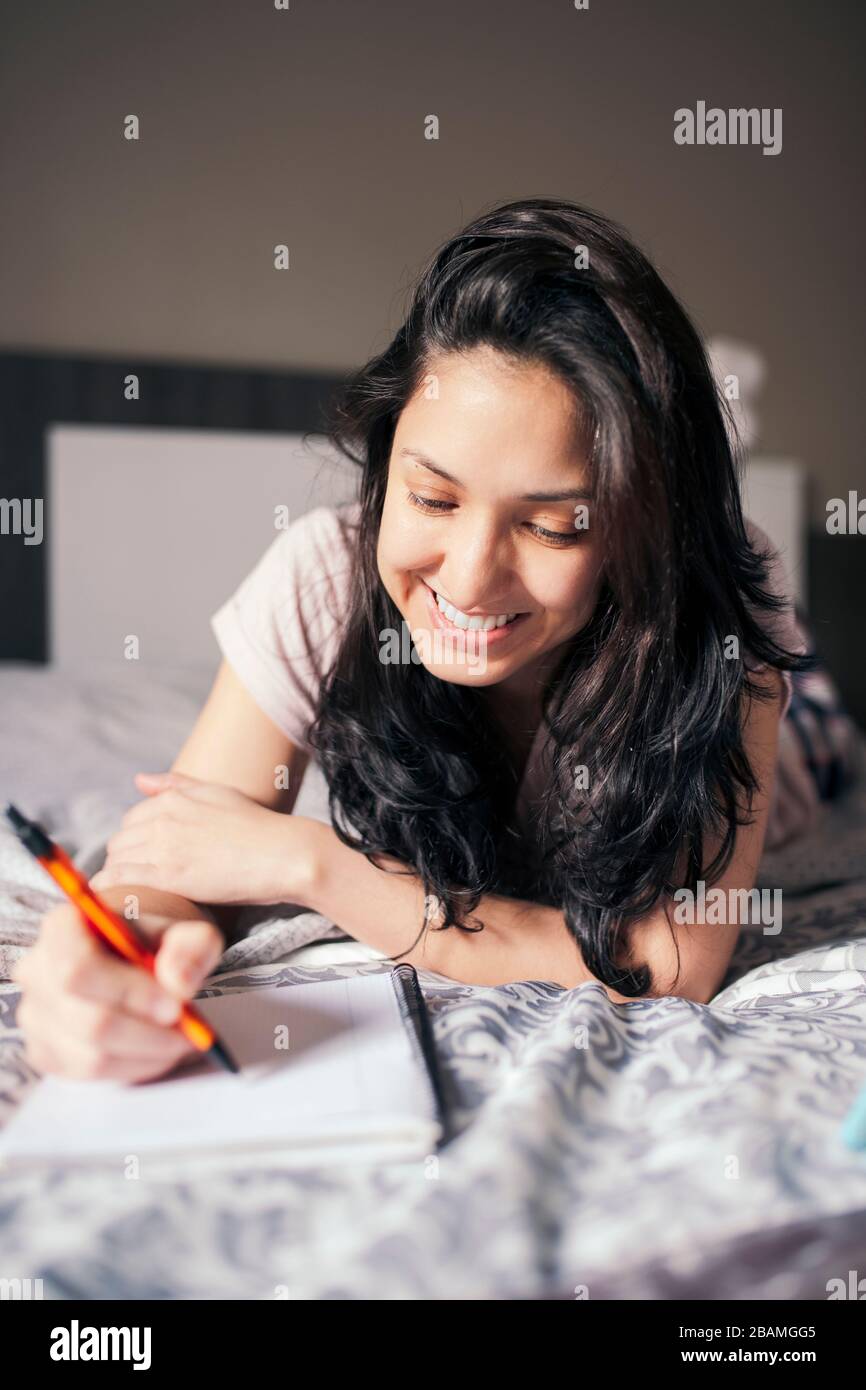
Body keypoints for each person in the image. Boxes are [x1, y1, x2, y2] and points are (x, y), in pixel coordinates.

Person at [14, 197, 855, 1083]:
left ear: (638, 532)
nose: (469, 579)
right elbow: (176, 860)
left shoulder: (718, 600)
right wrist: (119, 956)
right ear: (383, 466)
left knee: (815, 726)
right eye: (434, 499)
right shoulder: (323, 578)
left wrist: (316, 865)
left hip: (802, 743)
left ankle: (713, 452)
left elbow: (665, 967)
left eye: (554, 525)